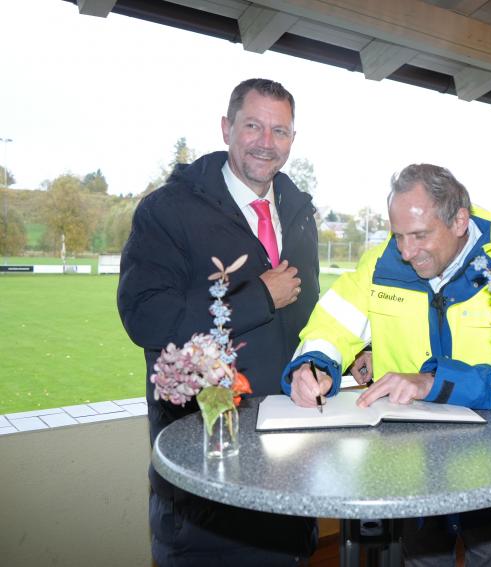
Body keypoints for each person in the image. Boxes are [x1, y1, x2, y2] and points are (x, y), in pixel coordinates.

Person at [283, 163, 491, 567]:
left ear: (460, 220)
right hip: (407, 462)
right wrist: (313, 364)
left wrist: (435, 382)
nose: (407, 252)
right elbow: (333, 323)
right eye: (398, 236)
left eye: (420, 235)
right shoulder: (381, 263)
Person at [117, 78, 319, 566]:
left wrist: (342, 357)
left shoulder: (299, 212)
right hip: (205, 470)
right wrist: (258, 299)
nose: (266, 143)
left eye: (280, 131)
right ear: (227, 128)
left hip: (289, 460)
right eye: (253, 126)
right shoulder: (168, 210)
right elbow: (146, 319)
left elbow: (307, 316)